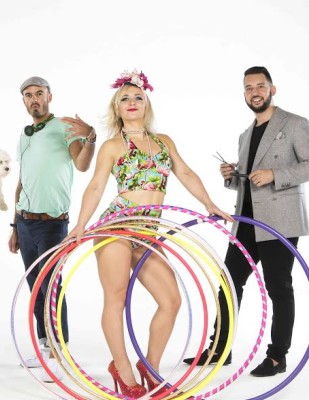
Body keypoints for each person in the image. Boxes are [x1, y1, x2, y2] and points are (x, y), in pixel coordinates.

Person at [65, 69, 232, 398]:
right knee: (116, 298)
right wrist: (81, 224)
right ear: (117, 108)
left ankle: (150, 369)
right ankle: (123, 370)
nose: (132, 102)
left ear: (147, 104)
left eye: (137, 97)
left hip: (149, 231)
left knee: (171, 301)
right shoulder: (113, 146)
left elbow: (185, 173)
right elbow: (96, 186)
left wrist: (210, 204)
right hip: (117, 227)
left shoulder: (163, 142)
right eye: (124, 98)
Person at [183, 66, 309, 377]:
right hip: (246, 221)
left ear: (272, 89)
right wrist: (231, 176)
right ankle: (220, 349)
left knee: (278, 287)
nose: (255, 92)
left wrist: (275, 174)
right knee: (229, 283)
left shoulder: (295, 123)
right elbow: (248, 182)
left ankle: (277, 357)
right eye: (249, 88)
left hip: (279, 221)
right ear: (245, 94)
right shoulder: (245, 135)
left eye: (260, 86)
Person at [8, 76, 96, 382]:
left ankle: (61, 353)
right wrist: (14, 226)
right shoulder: (24, 135)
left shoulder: (63, 127)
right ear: (24, 100)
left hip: (52, 224)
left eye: (39, 93)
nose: (34, 99)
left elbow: (82, 164)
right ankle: (46, 347)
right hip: (25, 222)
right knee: (35, 287)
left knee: (52, 288)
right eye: (28, 95)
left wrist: (90, 138)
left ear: (49, 96)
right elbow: (23, 180)